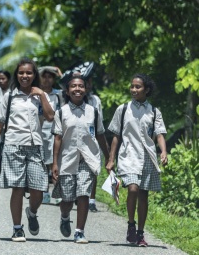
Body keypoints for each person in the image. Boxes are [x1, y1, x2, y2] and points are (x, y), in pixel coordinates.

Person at [0, 58, 54, 242]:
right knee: (18, 188)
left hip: (35, 146)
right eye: (21, 73)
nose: (25, 76)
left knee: (39, 189)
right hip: (13, 146)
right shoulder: (10, 97)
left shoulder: (39, 96)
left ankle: (31, 212)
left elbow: (50, 116)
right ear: (17, 75)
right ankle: (17, 229)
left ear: (34, 75)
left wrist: (42, 95)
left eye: (29, 73)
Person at [106, 74, 168, 247]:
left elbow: (160, 134)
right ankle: (131, 224)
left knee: (143, 195)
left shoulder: (154, 111)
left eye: (138, 87)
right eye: (132, 86)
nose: (134, 89)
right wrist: (111, 159)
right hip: (128, 155)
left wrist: (163, 151)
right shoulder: (123, 109)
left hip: (147, 157)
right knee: (132, 189)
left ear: (146, 90)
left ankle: (140, 233)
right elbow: (116, 136)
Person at [51, 75, 110, 244]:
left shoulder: (94, 112)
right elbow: (57, 138)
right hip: (67, 159)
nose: (77, 89)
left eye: (81, 86)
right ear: (68, 91)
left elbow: (100, 135)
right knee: (68, 200)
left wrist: (108, 157)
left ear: (86, 90)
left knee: (83, 194)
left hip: (88, 159)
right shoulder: (61, 112)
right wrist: (55, 163)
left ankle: (79, 231)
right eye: (74, 86)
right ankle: (65, 216)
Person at [38, 66, 64, 204]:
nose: (46, 79)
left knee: (56, 162)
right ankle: (44, 192)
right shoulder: (36, 92)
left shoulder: (58, 94)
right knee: (42, 162)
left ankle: (57, 192)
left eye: (50, 77)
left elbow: (68, 82)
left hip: (56, 130)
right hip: (40, 129)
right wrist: (47, 68)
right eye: (44, 76)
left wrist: (58, 72)